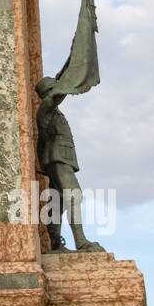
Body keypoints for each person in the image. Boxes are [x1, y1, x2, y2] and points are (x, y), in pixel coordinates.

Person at [35, 77, 103, 252]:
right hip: (57, 156)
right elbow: (54, 98)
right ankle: (80, 241)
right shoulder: (45, 108)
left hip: (61, 156)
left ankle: (56, 242)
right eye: (53, 89)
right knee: (74, 195)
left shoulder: (55, 112)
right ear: (47, 92)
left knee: (58, 201)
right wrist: (69, 79)